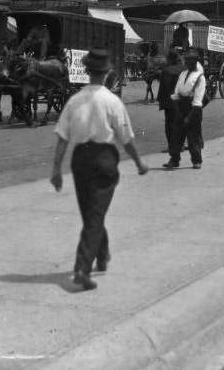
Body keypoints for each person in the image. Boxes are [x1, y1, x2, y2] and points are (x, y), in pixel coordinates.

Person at [49, 49, 148, 290]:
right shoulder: (112, 101)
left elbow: (62, 138)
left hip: (80, 159)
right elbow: (126, 138)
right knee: (95, 214)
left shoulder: (74, 100)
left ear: (86, 72)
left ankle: (101, 256)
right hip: (104, 159)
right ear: (107, 75)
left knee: (91, 213)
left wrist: (56, 170)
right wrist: (138, 162)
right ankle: (82, 269)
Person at [169, 48, 206, 169]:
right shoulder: (183, 74)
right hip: (181, 105)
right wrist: (176, 108)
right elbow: (176, 91)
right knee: (176, 135)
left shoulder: (200, 77)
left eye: (189, 60)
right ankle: (174, 160)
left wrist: (189, 117)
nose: (186, 62)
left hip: (193, 108)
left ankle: (196, 160)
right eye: (186, 60)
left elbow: (197, 100)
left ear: (195, 61)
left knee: (193, 136)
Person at [157, 48, 184, 167]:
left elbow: (164, 89)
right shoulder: (185, 69)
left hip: (171, 105)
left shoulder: (167, 71)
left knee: (171, 130)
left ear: (170, 59)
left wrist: (162, 104)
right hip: (184, 104)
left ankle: (174, 159)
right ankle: (178, 153)